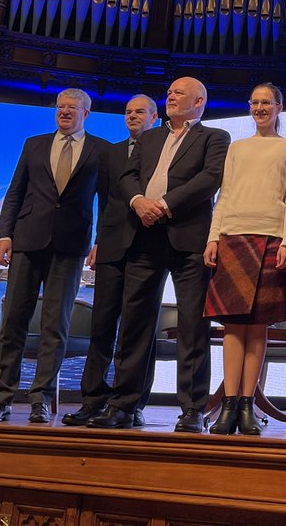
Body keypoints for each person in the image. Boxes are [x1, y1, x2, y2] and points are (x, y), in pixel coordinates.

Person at [87, 77, 230, 432]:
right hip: (143, 236)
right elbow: (127, 175)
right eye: (169, 92)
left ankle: (192, 409)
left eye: (178, 93)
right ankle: (125, 406)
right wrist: (138, 201)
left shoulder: (214, 137)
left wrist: (164, 205)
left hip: (188, 240)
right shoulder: (149, 136)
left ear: (198, 102)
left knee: (193, 326)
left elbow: (210, 179)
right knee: (135, 324)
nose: (170, 96)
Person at [0, 88, 110, 424]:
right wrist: (4, 235)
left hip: (70, 247)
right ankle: (2, 398)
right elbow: (15, 192)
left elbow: (108, 203)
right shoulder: (33, 144)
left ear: (86, 114)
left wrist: (102, 241)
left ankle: (41, 400)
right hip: (26, 241)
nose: (64, 112)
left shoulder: (102, 150)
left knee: (56, 326)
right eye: (60, 107)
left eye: (72, 108)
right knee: (12, 323)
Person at [203, 83, 286, 435]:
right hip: (232, 237)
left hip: (272, 238)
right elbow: (224, 195)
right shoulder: (237, 147)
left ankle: (247, 405)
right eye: (255, 102)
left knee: (258, 325)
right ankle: (229, 406)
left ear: (279, 107)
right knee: (232, 326)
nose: (260, 108)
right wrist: (214, 237)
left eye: (267, 103)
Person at [62, 94, 159, 427]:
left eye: (140, 112)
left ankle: (130, 404)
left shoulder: (165, 149)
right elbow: (104, 202)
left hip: (149, 247)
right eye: (128, 112)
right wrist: (99, 242)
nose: (132, 116)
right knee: (101, 326)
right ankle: (93, 400)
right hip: (112, 247)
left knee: (138, 329)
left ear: (155, 117)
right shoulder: (111, 152)